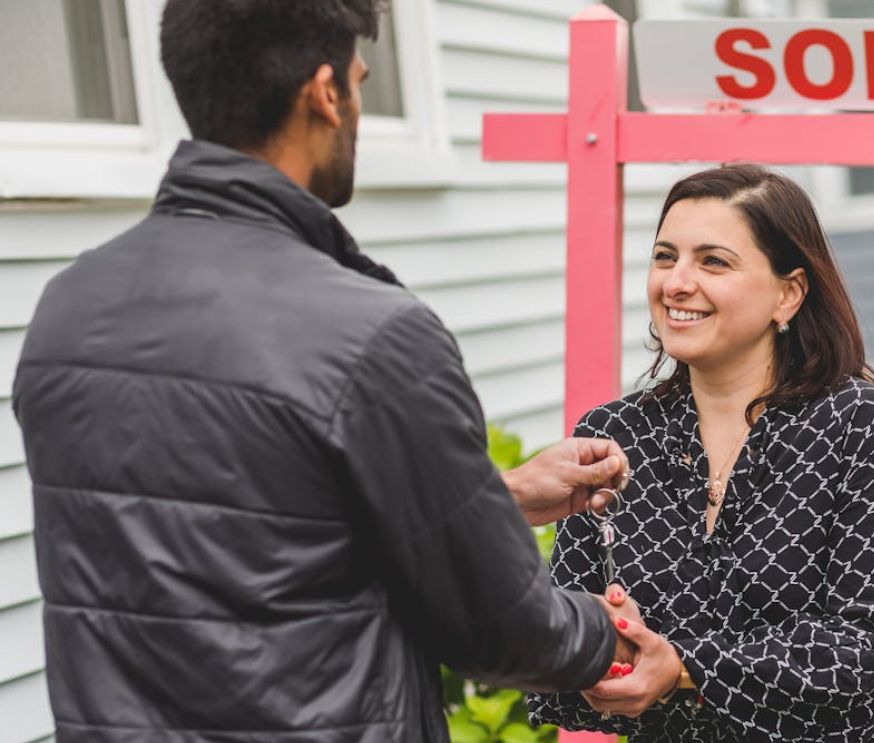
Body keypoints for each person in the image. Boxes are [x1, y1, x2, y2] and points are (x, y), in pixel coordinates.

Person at [11, 2, 631, 741]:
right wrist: (608, 632)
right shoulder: (371, 334)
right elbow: (497, 627)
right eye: (362, 82)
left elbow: (228, 524)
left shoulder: (68, 307)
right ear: (325, 93)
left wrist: (498, 496)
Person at [529, 164, 874, 742]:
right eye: (665, 257)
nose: (675, 283)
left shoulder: (860, 426)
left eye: (713, 261)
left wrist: (686, 666)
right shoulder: (613, 437)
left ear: (788, 294)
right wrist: (604, 650)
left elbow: (869, 645)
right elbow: (562, 649)